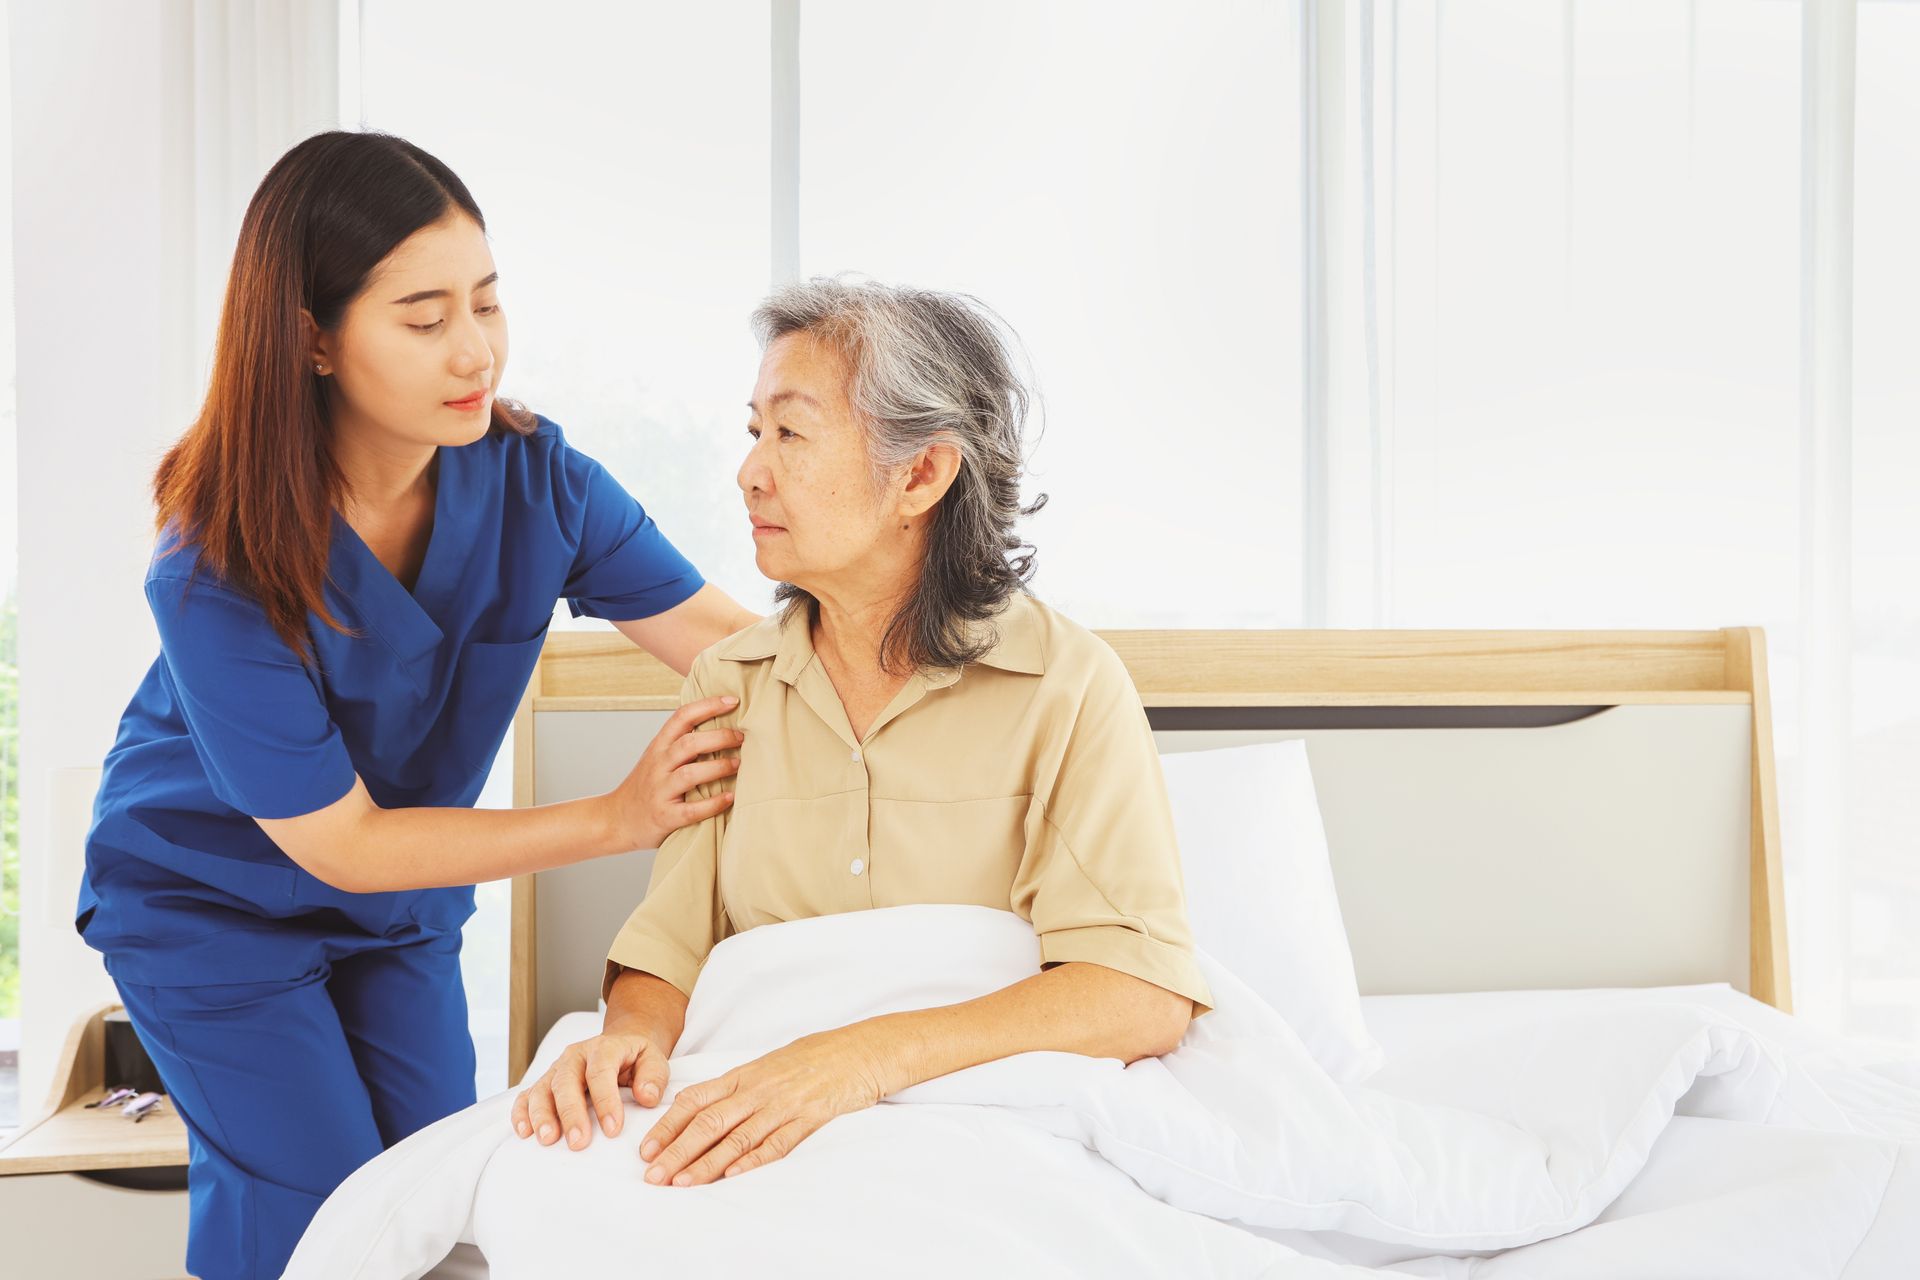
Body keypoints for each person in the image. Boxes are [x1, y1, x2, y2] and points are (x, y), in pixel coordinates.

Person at [73, 130, 760, 1280]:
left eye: (488, 304)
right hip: (207, 902)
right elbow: (340, 838)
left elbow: (729, 645)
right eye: (425, 315)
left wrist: (932, 643)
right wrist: (621, 815)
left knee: (441, 1199)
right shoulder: (210, 561)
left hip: (397, 909)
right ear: (313, 339)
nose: (476, 350)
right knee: (317, 1210)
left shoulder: (539, 480)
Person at [513, 279, 1212, 1189]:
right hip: (752, 1108)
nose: (751, 470)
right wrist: (628, 1042)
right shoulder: (729, 683)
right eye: (753, 431)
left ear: (920, 475)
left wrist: (853, 1061)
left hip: (976, 1131)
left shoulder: (1067, 687)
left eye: (791, 433)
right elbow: (670, 949)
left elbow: (1137, 993)